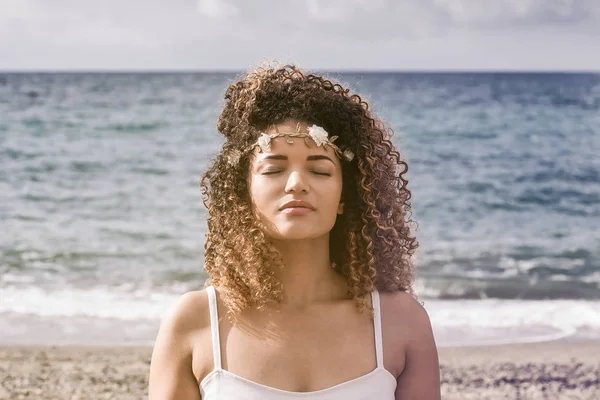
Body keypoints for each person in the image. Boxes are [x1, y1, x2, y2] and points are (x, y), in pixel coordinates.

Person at [148, 64, 441, 399]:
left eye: (319, 170)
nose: (297, 184)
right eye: (273, 169)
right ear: (244, 193)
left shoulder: (401, 323)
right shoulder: (195, 323)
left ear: (346, 196)